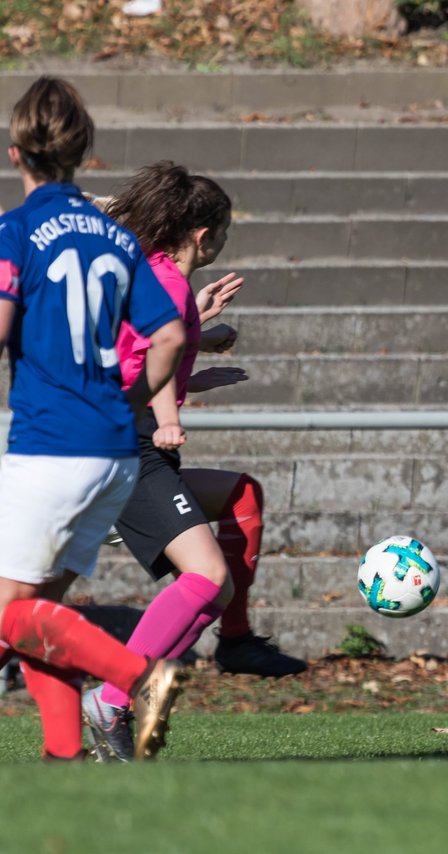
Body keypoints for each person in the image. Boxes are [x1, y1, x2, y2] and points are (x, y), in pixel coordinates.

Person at [79, 161, 308, 760]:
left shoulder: (158, 279)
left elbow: (141, 352)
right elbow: (152, 352)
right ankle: (113, 697)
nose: (224, 243)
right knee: (207, 578)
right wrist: (171, 414)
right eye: (225, 234)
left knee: (240, 497)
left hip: (127, 440)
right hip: (128, 447)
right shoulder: (166, 284)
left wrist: (196, 342)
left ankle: (230, 643)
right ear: (203, 235)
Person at [0, 76, 186, 761]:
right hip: (113, 450)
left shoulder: (16, 230)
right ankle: (63, 758)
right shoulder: (116, 237)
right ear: (82, 153)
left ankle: (142, 675)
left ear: (16, 152)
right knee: (36, 615)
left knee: (9, 614)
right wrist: (134, 403)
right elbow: (167, 337)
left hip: (50, 447)